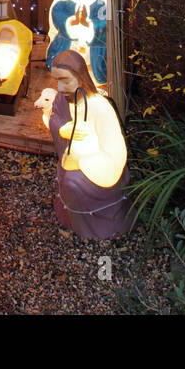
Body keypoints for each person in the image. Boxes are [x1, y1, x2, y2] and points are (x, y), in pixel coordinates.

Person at [35, 50, 132, 240]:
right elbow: (55, 120)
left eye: (66, 80)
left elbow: (114, 149)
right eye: (57, 81)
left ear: (80, 77)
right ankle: (73, 218)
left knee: (73, 182)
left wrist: (83, 160)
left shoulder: (99, 106)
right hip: (72, 156)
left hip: (98, 163)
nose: (61, 88)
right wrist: (63, 130)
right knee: (67, 175)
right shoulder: (62, 100)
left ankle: (93, 229)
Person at [46, 0, 109, 87]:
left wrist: (90, 25)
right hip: (68, 38)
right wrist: (71, 22)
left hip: (93, 43)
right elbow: (56, 12)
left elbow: (105, 21)